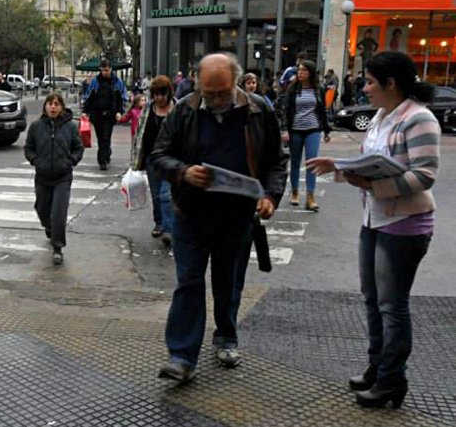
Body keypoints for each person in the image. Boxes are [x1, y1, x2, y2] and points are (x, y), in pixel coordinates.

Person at [306, 51, 440, 409]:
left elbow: (425, 175)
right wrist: (338, 166)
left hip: (405, 225)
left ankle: (392, 380)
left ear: (390, 83)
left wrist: (372, 185)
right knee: (373, 301)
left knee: (392, 305)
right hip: (374, 220)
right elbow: (369, 161)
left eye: (368, 82)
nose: (364, 89)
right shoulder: (382, 116)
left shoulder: (419, 119)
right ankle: (377, 367)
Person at [152, 53, 288, 382]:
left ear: (237, 82)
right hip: (190, 215)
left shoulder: (259, 110)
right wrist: (184, 172)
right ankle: (182, 356)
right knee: (189, 284)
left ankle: (226, 336)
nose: (215, 101)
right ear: (197, 83)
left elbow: (276, 160)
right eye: (209, 93)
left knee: (228, 284)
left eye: (223, 93)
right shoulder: (184, 109)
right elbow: (158, 155)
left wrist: (270, 196)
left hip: (237, 217)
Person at [24, 93, 84, 265]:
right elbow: (29, 148)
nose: (53, 107)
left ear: (62, 107)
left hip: (62, 177)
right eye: (50, 104)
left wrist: (70, 161)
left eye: (57, 104)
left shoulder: (71, 127)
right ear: (45, 106)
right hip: (42, 176)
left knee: (59, 212)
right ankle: (48, 226)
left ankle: (57, 247)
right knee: (42, 208)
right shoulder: (36, 126)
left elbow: (78, 148)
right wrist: (36, 161)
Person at [130, 75, 176, 242]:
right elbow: (139, 134)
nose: (159, 98)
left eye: (162, 94)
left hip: (171, 159)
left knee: (166, 194)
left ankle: (169, 229)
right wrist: (136, 159)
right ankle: (160, 223)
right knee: (156, 195)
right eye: (156, 94)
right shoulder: (148, 109)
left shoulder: (177, 109)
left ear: (168, 94)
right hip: (152, 158)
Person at [281, 59, 331, 211]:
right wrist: (284, 130)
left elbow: (322, 111)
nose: (300, 73)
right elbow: (286, 110)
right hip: (296, 129)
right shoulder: (292, 88)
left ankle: (310, 197)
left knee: (312, 162)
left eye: (303, 70)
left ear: (310, 72)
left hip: (313, 129)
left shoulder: (318, 89)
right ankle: (295, 193)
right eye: (299, 70)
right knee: (295, 163)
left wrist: (327, 130)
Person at [82, 59, 128, 171]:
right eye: (102, 70)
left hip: (110, 114)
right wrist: (85, 111)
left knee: (106, 136)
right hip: (97, 114)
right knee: (100, 137)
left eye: (106, 70)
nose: (104, 72)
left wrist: (120, 112)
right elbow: (89, 97)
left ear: (111, 69)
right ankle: (106, 152)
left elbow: (122, 98)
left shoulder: (117, 82)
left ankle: (102, 160)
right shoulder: (95, 81)